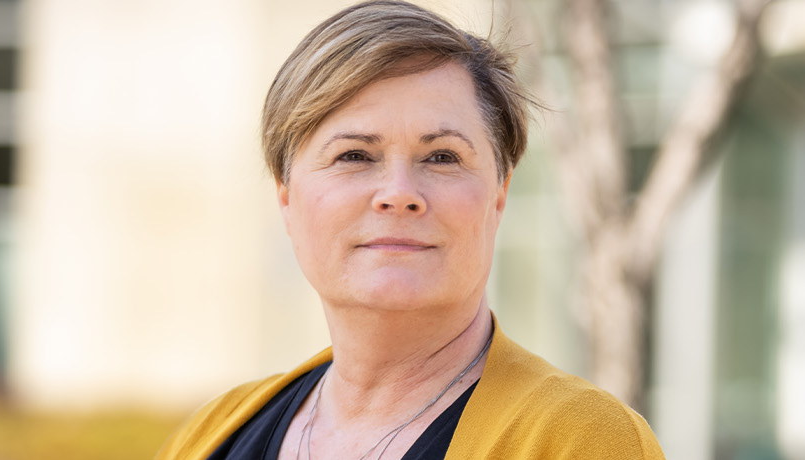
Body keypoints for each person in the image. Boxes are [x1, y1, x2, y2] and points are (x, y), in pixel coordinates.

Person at [154, 1, 665, 459]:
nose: (399, 192)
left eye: (442, 157)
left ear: (499, 195)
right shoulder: (211, 436)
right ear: (286, 197)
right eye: (354, 155)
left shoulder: (579, 441)